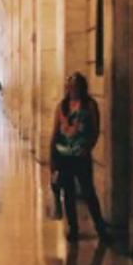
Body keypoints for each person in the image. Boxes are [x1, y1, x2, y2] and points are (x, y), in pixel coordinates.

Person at [49, 72, 110, 244]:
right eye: (69, 84)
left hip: (81, 156)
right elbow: (55, 132)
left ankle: (101, 229)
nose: (71, 87)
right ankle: (73, 228)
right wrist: (52, 158)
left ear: (81, 86)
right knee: (68, 193)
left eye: (74, 84)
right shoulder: (62, 106)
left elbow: (95, 130)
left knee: (89, 192)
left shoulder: (89, 105)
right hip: (63, 156)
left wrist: (88, 148)